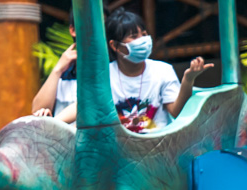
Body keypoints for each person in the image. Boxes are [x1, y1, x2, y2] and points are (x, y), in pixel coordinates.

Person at [47, 9, 212, 133]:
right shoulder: (104, 76)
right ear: (115, 45)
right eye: (134, 36)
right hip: (118, 158)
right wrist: (49, 124)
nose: (143, 40)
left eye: (144, 34)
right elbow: (83, 106)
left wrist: (188, 80)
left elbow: (176, 111)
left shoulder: (163, 71)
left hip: (159, 152)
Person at [31, 22, 77, 119]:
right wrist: (58, 69)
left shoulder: (112, 68)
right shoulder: (65, 71)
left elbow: (90, 103)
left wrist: (55, 123)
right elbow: (37, 111)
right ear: (73, 30)